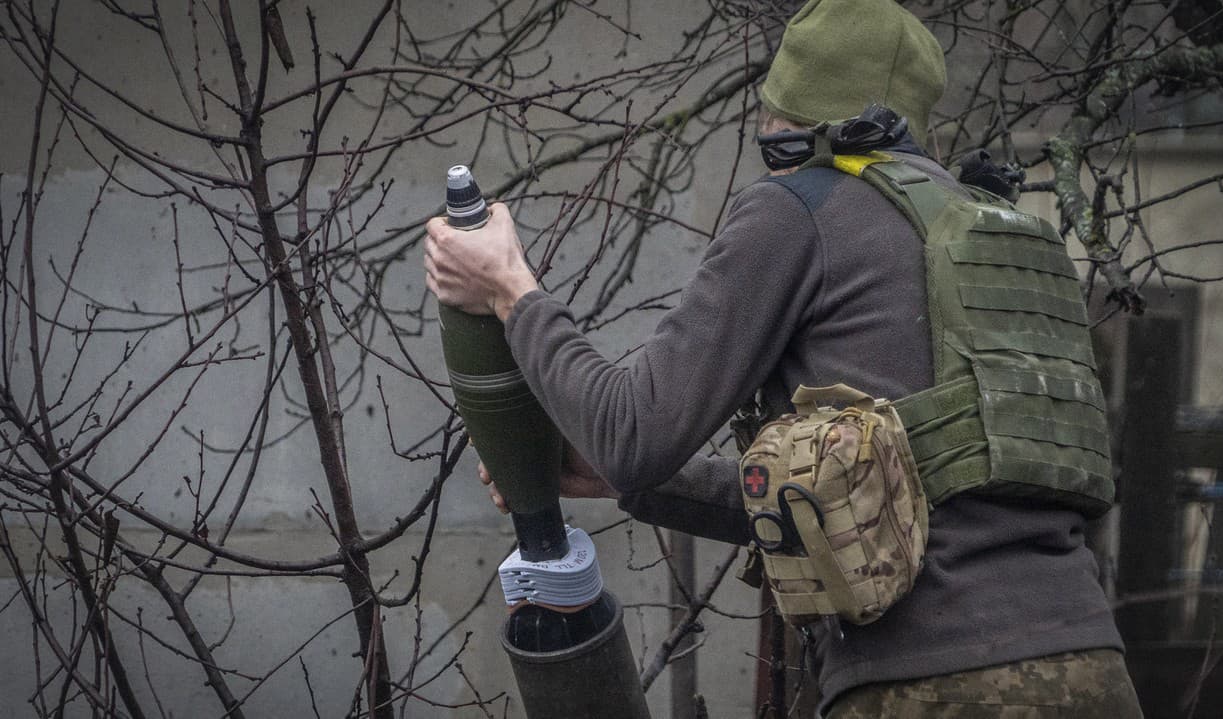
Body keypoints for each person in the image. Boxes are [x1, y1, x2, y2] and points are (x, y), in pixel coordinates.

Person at [424, 0, 1143, 715]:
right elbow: (877, 490)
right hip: (1093, 668)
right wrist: (619, 483)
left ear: (784, 116)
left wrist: (509, 288)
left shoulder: (801, 206)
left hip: (932, 685)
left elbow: (632, 433)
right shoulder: (996, 234)